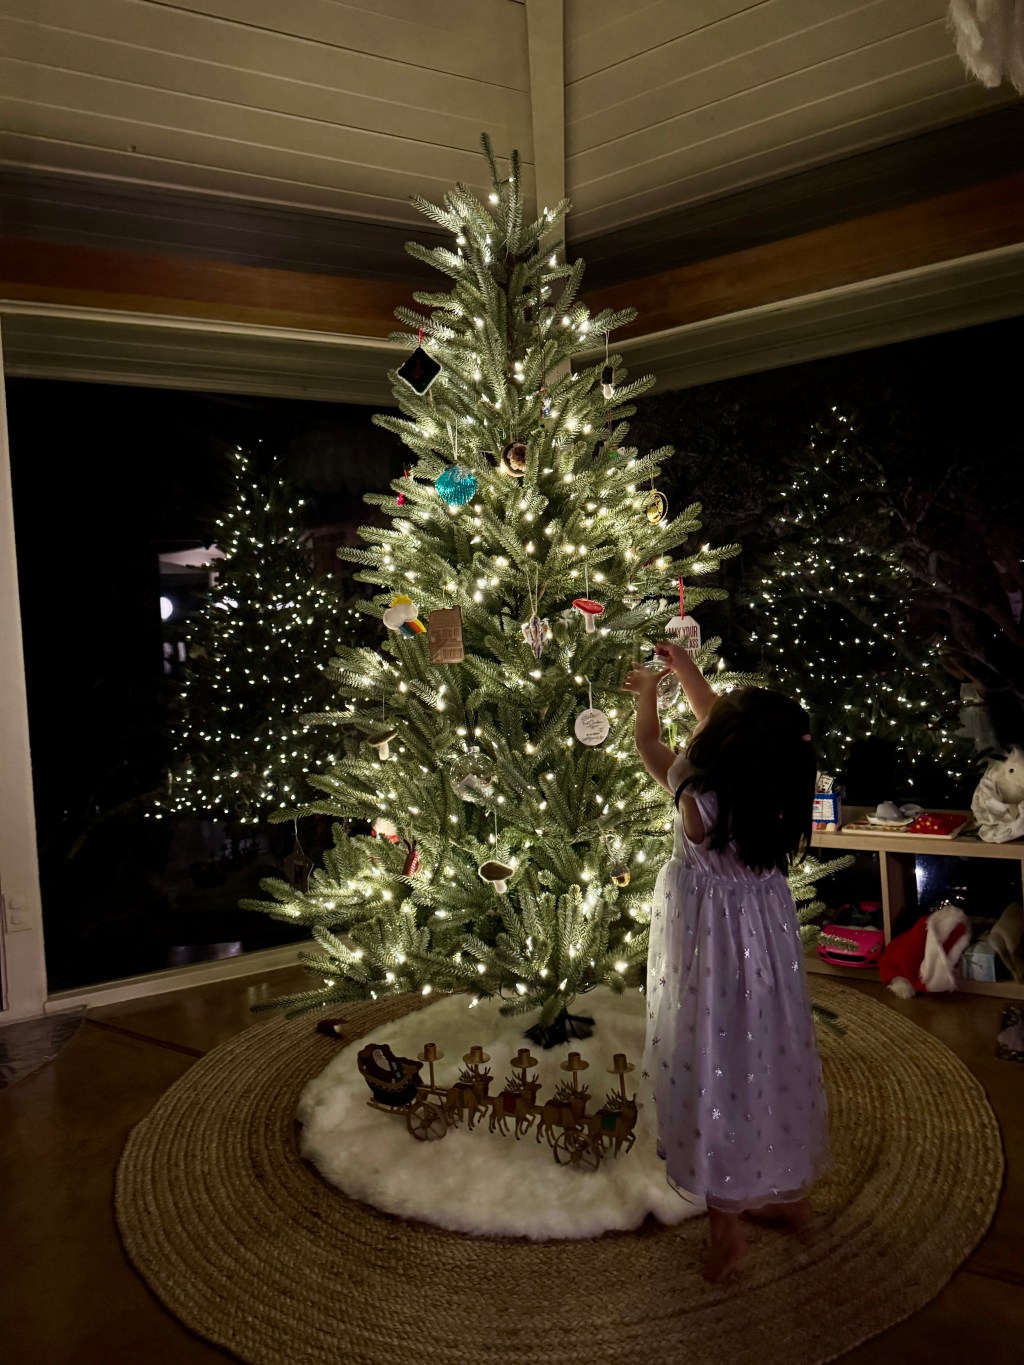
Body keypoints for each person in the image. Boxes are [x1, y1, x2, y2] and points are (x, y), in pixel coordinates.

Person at [624, 641, 829, 1282]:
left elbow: (650, 746)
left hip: (711, 956)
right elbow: (725, 721)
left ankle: (726, 1227)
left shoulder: (696, 798)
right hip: (765, 952)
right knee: (768, 1054)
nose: (706, 715)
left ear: (718, 748)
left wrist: (648, 696)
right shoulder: (776, 791)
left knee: (714, 1063)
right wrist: (687, 670)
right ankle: (789, 1197)